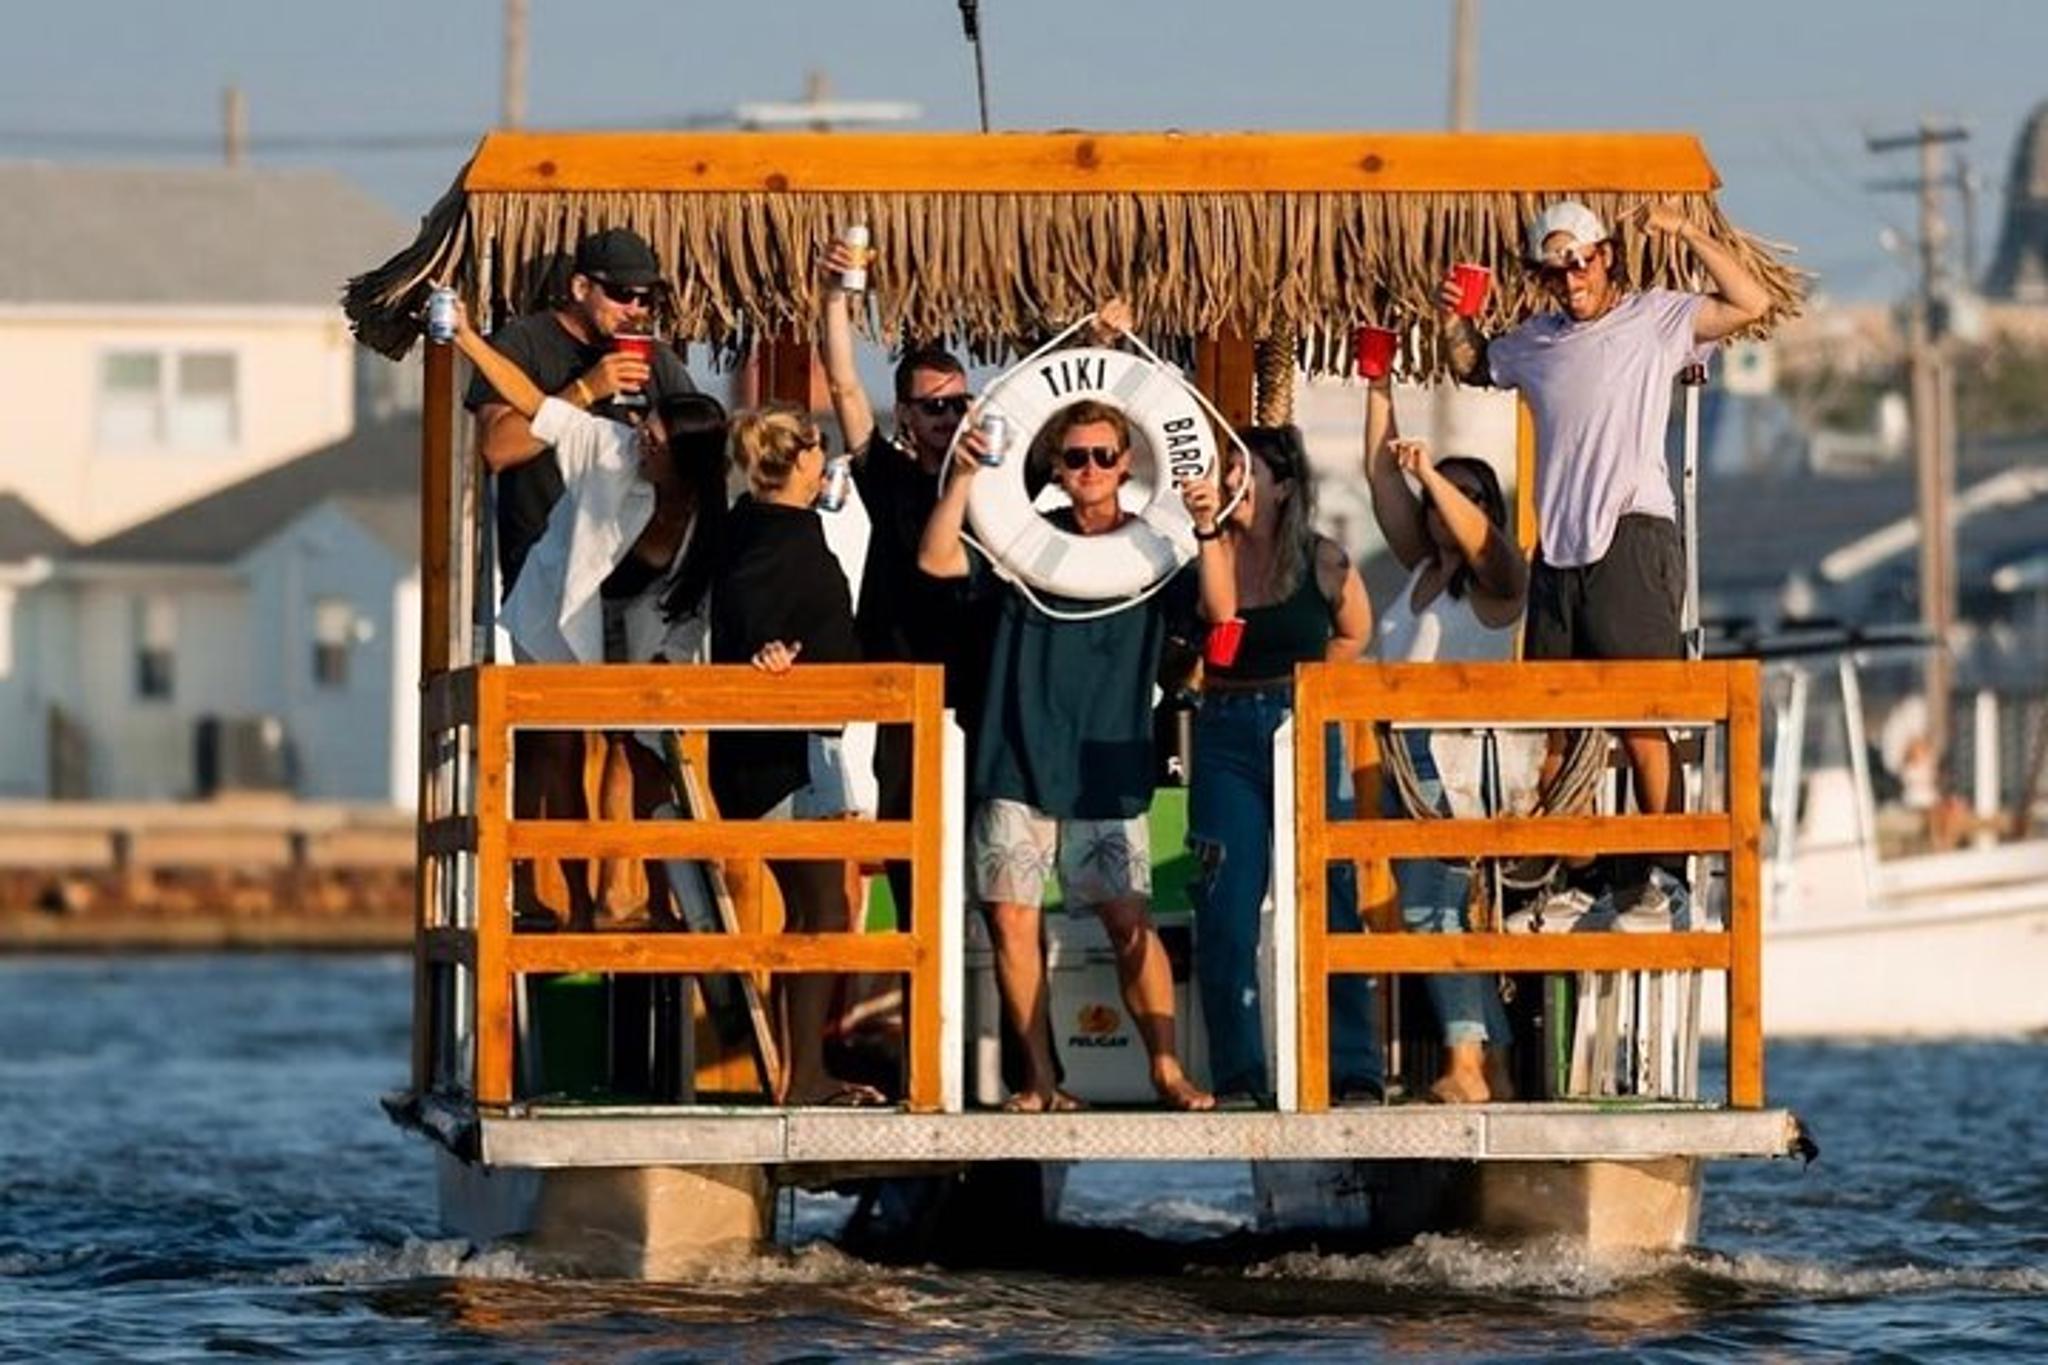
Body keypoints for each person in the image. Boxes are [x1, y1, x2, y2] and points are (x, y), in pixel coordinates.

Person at [1439, 198, 1768, 915]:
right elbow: (1471, 366)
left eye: (1578, 263)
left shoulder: (1656, 318)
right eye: (1552, 271)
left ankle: (1666, 874)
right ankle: (1576, 877)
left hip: (1631, 532)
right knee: (1552, 729)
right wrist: (1453, 316)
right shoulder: (1534, 340)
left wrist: (1688, 233)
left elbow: (1752, 300)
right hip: (1558, 550)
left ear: (1605, 256)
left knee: (1641, 717)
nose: (1568, 281)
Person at [920, 399, 1232, 1112]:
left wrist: (1207, 525)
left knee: (1128, 922)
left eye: (1102, 455)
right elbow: (936, 559)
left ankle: (1165, 1067)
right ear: (1056, 467)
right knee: (1012, 922)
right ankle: (1039, 1078)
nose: (1089, 469)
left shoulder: (1153, 553)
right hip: (1015, 756)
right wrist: (964, 479)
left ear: (1127, 463)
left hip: (1104, 766)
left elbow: (1219, 610)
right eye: (1074, 457)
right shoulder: (1021, 541)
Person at [449, 302, 727, 927]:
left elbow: (696, 599)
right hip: (559, 606)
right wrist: (467, 338)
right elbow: (533, 404)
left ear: (685, 459)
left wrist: (676, 659)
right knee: (556, 740)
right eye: (642, 431)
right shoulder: (610, 446)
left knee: (637, 748)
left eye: (653, 439)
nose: (639, 440)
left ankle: (627, 896)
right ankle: (555, 896)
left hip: (643, 621)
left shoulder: (707, 516)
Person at [1186, 425, 1382, 1109]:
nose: (1233, 475)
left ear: (1284, 484)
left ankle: (1354, 1067)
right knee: (1225, 904)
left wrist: (1309, 684)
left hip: (1299, 723)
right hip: (1224, 727)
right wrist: (1208, 526)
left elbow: (1357, 630)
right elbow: (1217, 617)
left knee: (1328, 896)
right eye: (1227, 463)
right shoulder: (1210, 549)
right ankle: (1239, 1071)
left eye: (1247, 466)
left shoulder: (1322, 559)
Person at [710, 404, 882, 1107]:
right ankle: (803, 1071)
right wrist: (770, 652)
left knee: (821, 911)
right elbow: (754, 613)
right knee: (820, 912)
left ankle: (801, 1067)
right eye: (821, 448)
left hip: (798, 743)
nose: (827, 460)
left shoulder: (765, 526)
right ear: (802, 458)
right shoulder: (770, 533)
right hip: (780, 751)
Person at [1363, 377, 1529, 1102]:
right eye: (1439, 498)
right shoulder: (1424, 572)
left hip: (1464, 763)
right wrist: (1378, 384)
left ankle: (1471, 1063)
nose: (1444, 508)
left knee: (1434, 905)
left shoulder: (1502, 578)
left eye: (1469, 495)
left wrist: (1431, 469)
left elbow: (1480, 539)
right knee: (1419, 906)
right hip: (1405, 760)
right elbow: (1378, 475)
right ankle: (1487, 1062)